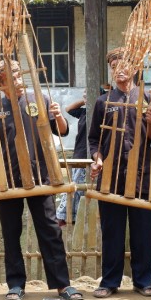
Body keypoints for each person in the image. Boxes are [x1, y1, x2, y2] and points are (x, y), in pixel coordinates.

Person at [0, 60, 83, 300]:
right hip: (9, 179)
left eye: (17, 76)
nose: (15, 81)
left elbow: (62, 131)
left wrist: (58, 116)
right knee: (11, 232)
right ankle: (15, 285)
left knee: (49, 231)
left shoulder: (39, 99)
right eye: (8, 78)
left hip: (41, 176)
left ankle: (62, 285)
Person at [88, 47, 151, 298]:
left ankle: (143, 280)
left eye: (124, 65)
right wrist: (97, 160)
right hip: (111, 176)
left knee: (143, 232)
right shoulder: (102, 102)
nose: (120, 70)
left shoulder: (148, 99)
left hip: (141, 176)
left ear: (134, 69)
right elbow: (94, 141)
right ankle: (109, 281)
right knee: (112, 233)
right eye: (114, 66)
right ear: (111, 71)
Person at [55, 95, 88, 227]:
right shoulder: (85, 111)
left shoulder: (101, 112)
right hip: (80, 153)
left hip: (89, 154)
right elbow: (68, 109)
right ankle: (67, 215)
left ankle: (66, 215)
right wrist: (84, 100)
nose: (85, 95)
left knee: (79, 186)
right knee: (76, 185)